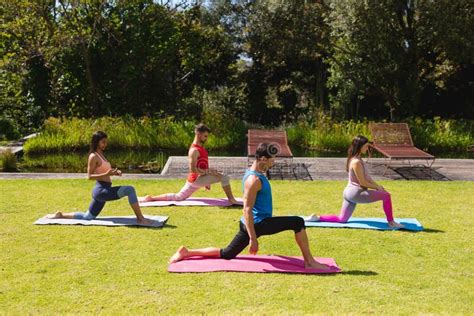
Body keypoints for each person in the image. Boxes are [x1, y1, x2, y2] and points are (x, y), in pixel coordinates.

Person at [169, 143, 332, 270]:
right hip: (257, 224)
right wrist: (253, 239)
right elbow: (246, 209)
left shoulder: (254, 172)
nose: (273, 163)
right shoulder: (253, 180)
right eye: (271, 160)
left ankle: (187, 252)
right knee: (297, 222)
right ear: (262, 159)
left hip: (252, 223)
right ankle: (309, 262)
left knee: (227, 253)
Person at [47, 131, 153, 225]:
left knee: (87, 217)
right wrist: (107, 174)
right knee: (130, 190)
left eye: (106, 142)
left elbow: (106, 172)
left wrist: (114, 173)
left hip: (104, 189)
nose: (105, 144)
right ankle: (140, 218)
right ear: (97, 142)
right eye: (103, 142)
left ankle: (60, 215)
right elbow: (90, 176)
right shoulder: (93, 156)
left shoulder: (101, 154)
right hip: (101, 191)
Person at [308, 135, 404, 228]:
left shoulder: (357, 159)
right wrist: (377, 187)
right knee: (386, 196)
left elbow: (368, 178)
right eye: (366, 146)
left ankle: (316, 217)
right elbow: (363, 183)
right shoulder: (356, 162)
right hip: (356, 193)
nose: (367, 148)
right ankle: (391, 222)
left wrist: (378, 186)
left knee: (342, 219)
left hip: (349, 193)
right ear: (360, 146)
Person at [141, 123, 239, 204]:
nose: (206, 138)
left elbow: (202, 164)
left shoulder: (200, 148)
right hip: (196, 180)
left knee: (178, 197)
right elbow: (193, 170)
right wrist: (209, 172)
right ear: (198, 134)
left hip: (195, 180)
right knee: (224, 177)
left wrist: (207, 179)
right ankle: (231, 200)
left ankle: (151, 198)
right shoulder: (194, 150)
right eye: (205, 136)